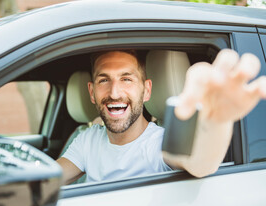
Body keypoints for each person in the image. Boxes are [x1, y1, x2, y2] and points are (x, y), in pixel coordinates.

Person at [57, 49, 266, 185]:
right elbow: (48, 180)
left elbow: (200, 164)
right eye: (104, 80)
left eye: (126, 79)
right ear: (92, 92)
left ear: (147, 90)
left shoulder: (160, 144)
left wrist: (217, 122)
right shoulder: (88, 139)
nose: (115, 92)